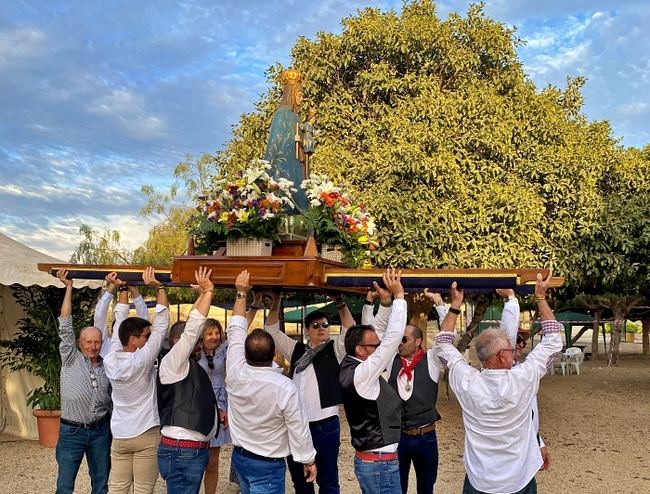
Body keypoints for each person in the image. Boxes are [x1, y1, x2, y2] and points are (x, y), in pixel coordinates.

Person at [434, 272, 562, 494]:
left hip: (480, 479)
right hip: (518, 479)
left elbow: (442, 344)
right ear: (502, 356)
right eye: (511, 350)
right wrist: (540, 297)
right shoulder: (522, 378)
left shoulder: (466, 381)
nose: (514, 353)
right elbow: (553, 339)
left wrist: (455, 305)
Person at [226, 270, 317, 494]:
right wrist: (308, 458)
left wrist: (241, 293)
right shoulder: (285, 387)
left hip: (241, 457)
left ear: (245, 355)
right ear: (274, 353)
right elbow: (298, 427)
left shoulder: (235, 372)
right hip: (267, 463)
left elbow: (235, 331)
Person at [264, 292, 355, 494]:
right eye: (315, 326)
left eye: (324, 325)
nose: (321, 329)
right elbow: (270, 330)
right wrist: (277, 300)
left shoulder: (335, 349)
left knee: (328, 480)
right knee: (301, 482)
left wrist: (340, 303)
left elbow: (350, 330)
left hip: (325, 424)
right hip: (296, 426)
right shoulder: (297, 350)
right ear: (306, 330)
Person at [339, 268, 407, 494]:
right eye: (374, 348)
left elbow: (375, 333)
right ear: (360, 350)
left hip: (374, 460)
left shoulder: (351, 362)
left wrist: (385, 304)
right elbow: (391, 339)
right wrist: (399, 298)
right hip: (380, 464)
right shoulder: (363, 373)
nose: (379, 349)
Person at [103, 268, 169, 494]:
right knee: (143, 490)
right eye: (145, 337)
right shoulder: (142, 358)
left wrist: (123, 288)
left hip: (120, 435)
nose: (148, 340)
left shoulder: (110, 359)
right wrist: (160, 287)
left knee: (117, 489)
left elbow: (120, 320)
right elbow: (161, 325)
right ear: (133, 340)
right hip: (144, 433)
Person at [157, 267, 220, 494]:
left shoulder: (184, 364)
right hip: (182, 451)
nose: (200, 345)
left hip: (187, 451)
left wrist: (201, 296)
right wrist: (209, 291)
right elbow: (192, 329)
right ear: (178, 342)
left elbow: (190, 328)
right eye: (195, 343)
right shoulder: (174, 361)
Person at [54, 269, 112, 494]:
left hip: (100, 431)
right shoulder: (70, 358)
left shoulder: (108, 365)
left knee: (101, 484)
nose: (93, 346)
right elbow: (65, 325)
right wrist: (68, 287)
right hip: (72, 432)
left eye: (96, 342)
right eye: (88, 342)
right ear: (79, 343)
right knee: (65, 486)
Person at [264, 67, 308, 210]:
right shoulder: (281, 113)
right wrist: (265, 167)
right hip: (282, 164)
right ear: (291, 94)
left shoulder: (297, 117)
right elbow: (274, 141)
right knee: (283, 198)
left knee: (298, 195)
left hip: (296, 161)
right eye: (300, 95)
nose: (302, 100)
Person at [196, 317, 231, 494]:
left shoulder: (223, 350)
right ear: (202, 335)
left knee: (212, 461)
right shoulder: (194, 351)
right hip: (199, 403)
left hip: (220, 403)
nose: (214, 337)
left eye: (217, 333)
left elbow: (240, 328)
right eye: (209, 333)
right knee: (195, 457)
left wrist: (254, 304)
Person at [93, 274, 149, 358]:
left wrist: (113, 286)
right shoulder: (105, 345)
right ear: (112, 331)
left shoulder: (139, 350)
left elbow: (99, 315)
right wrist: (133, 290)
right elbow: (99, 316)